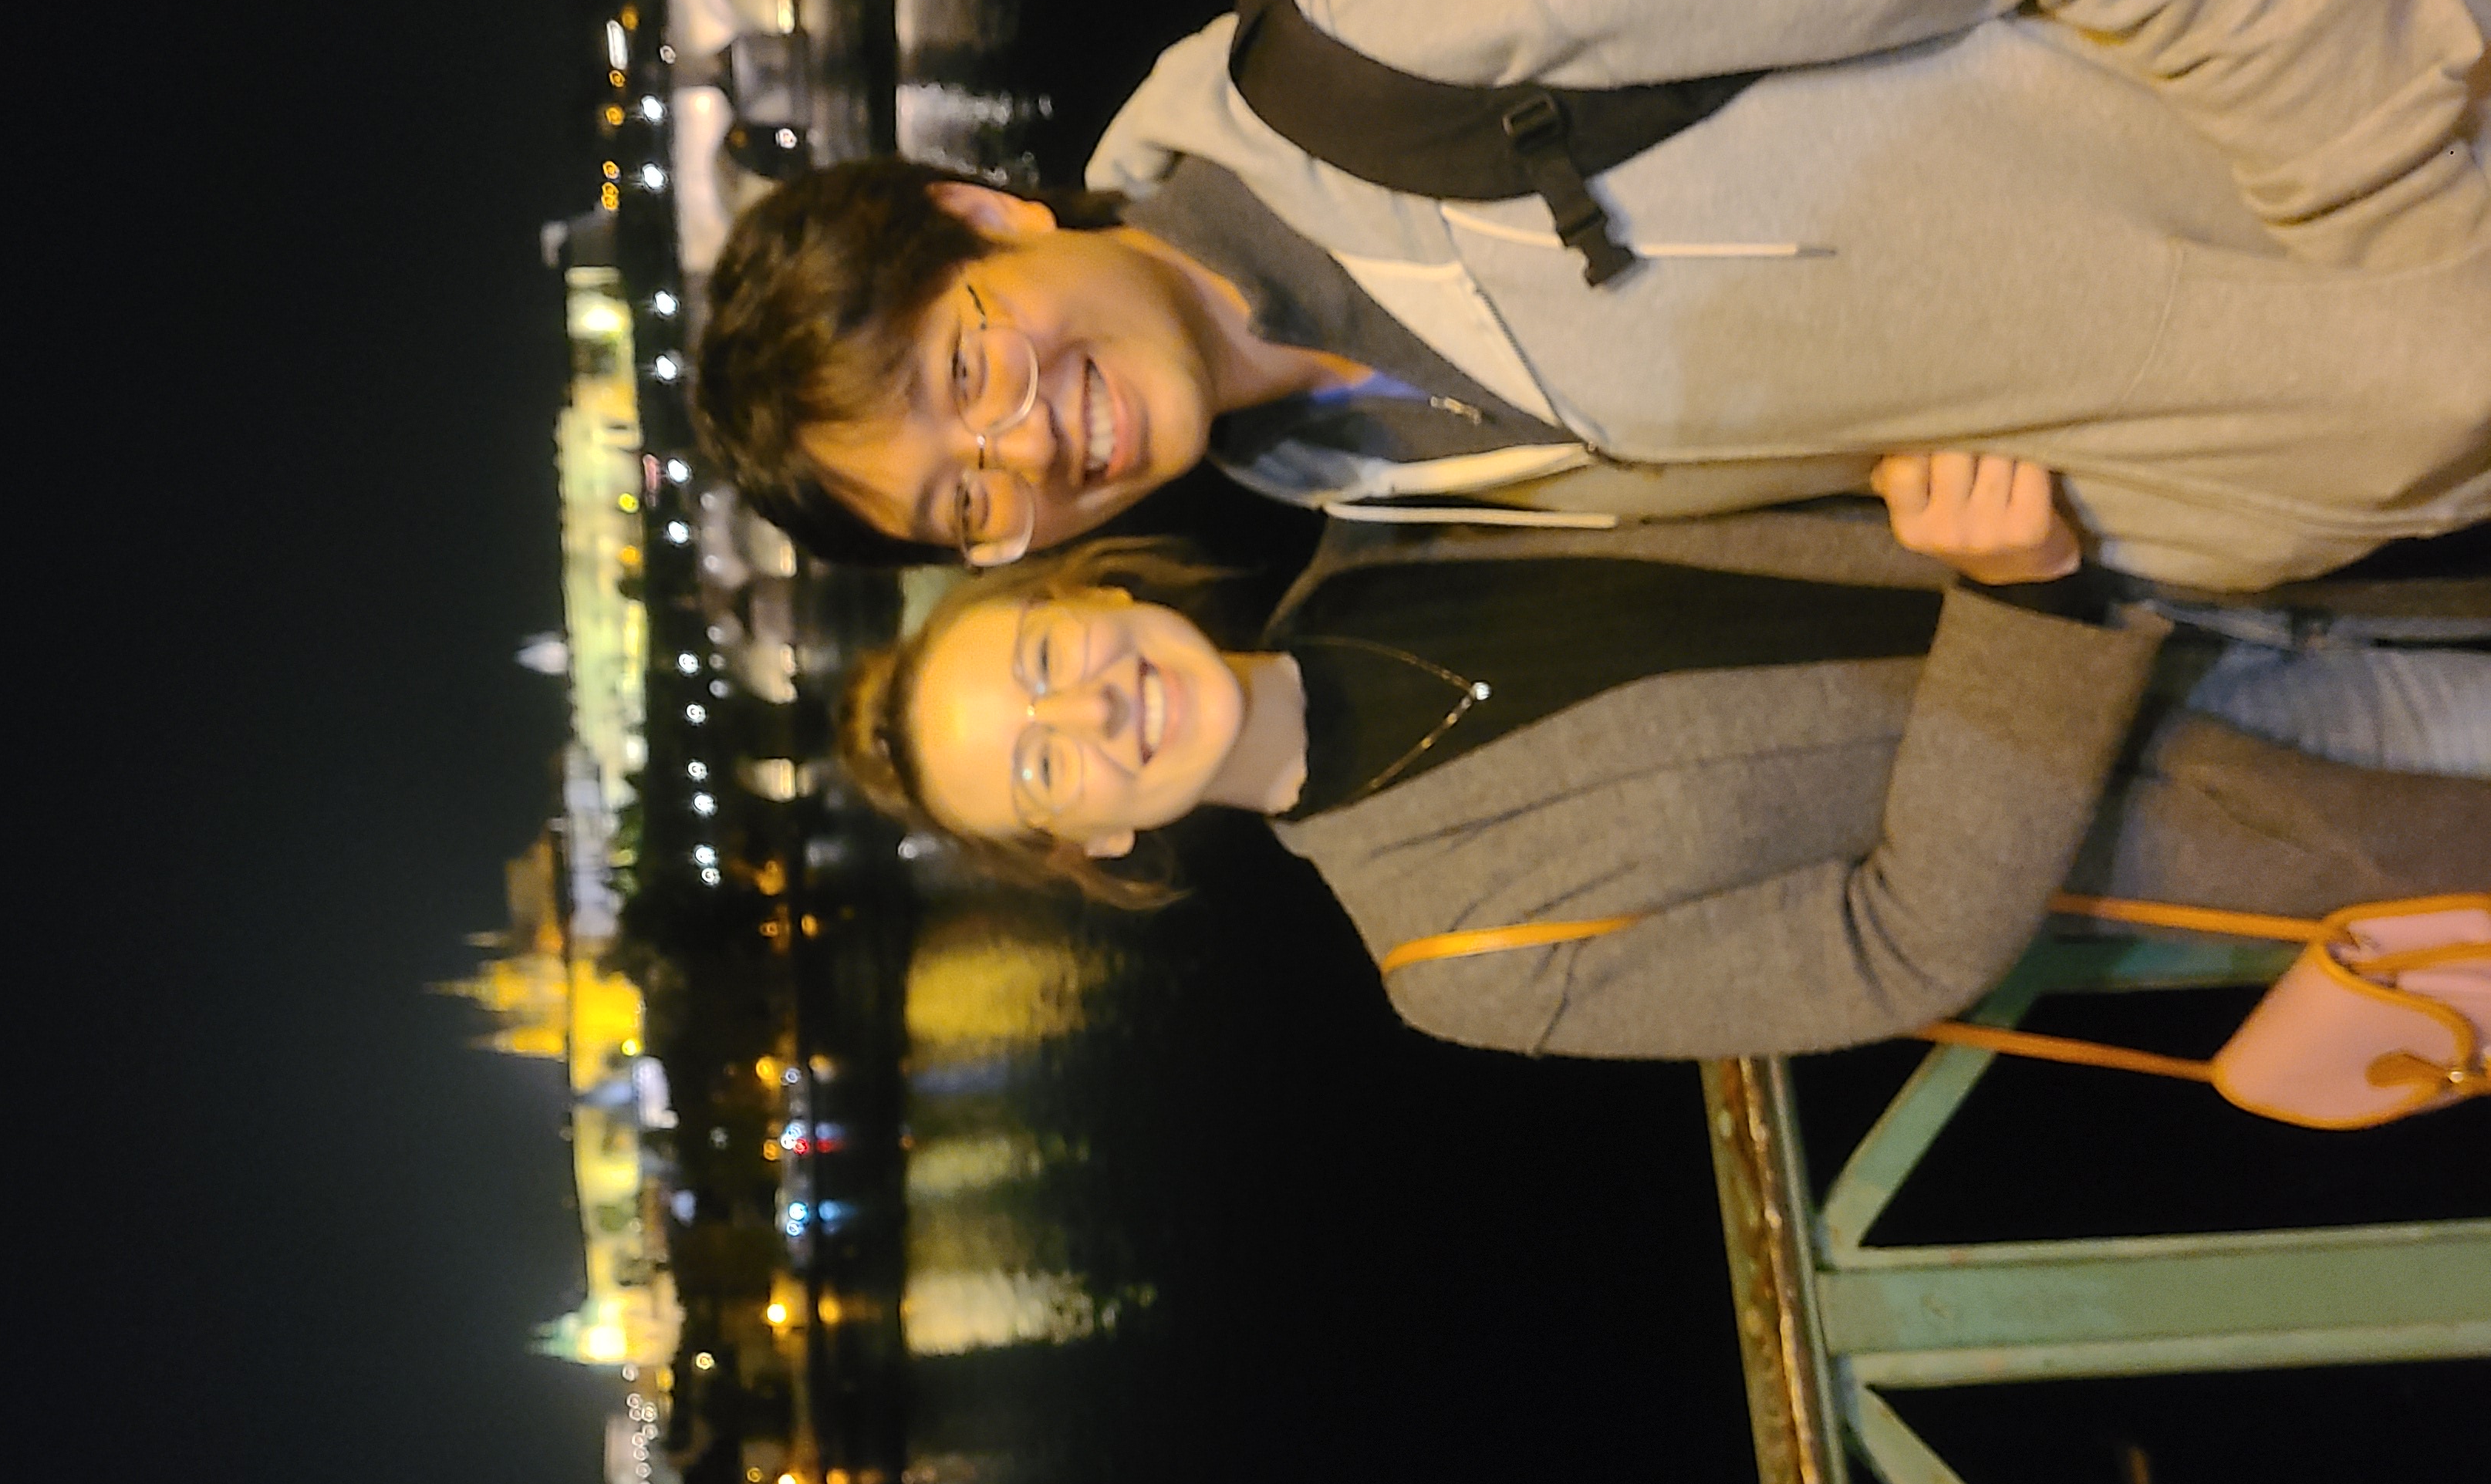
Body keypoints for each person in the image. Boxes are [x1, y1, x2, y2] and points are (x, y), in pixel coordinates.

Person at [691, 0, 2491, 595]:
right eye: (966, 503)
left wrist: (2389, 186)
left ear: (980, 212)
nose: (1023, 443)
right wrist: (2180, 535)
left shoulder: (1403, 31)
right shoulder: (1343, 491)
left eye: (967, 365)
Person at [835, 511, 2491, 1059]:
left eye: (1044, 662)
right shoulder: (1456, 960)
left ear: (1092, 595)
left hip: (2210, 531)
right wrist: (2028, 601)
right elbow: (1897, 951)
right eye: (1044, 766)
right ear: (1098, 837)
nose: (1099, 710)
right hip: (2241, 766)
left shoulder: (1404, 525)